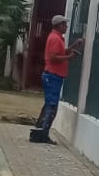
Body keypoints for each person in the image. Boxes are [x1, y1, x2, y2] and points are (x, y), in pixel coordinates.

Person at [30, 15, 82, 145]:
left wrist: (73, 46)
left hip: (53, 76)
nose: (66, 26)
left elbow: (60, 53)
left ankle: (39, 132)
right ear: (59, 25)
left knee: (49, 105)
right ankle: (43, 134)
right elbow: (53, 57)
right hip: (53, 76)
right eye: (64, 24)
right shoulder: (55, 38)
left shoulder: (57, 38)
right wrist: (70, 57)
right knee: (52, 106)